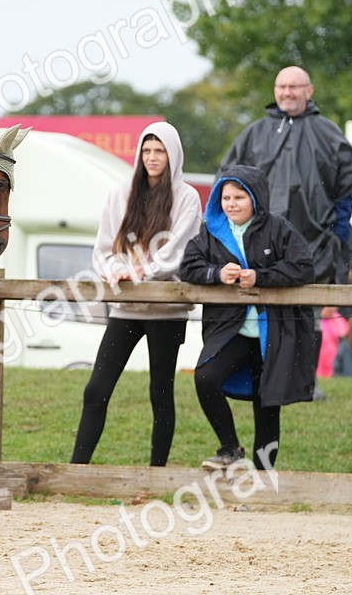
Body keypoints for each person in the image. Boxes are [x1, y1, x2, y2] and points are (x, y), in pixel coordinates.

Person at [69, 122, 202, 467]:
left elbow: (178, 249)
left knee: (160, 393)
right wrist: (117, 272)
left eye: (160, 151)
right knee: (95, 390)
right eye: (147, 150)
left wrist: (143, 271)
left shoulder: (186, 197)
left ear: (172, 155)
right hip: (126, 308)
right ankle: (77, 469)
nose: (152, 157)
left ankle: (156, 471)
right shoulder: (120, 193)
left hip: (166, 310)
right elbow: (103, 248)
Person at [179, 165, 317, 472]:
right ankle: (229, 449)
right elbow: (187, 268)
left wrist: (261, 277)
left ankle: (263, 478)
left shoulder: (279, 228)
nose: (231, 204)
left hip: (275, 333)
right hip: (233, 331)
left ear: (255, 198)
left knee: (267, 406)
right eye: (226, 197)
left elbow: (304, 267)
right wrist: (216, 273)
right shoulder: (211, 230)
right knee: (205, 378)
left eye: (239, 197)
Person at [220, 66, 352, 286]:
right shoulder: (254, 134)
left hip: (317, 247)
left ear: (308, 91)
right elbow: (228, 184)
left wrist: (337, 228)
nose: (287, 92)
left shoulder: (327, 132)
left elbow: (350, 180)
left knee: (307, 316)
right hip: (260, 248)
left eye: (293, 87)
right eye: (281, 87)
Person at [317, 305, 349, 378]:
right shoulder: (316, 319)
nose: (331, 308)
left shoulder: (339, 319)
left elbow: (345, 335)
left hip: (334, 355)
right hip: (321, 355)